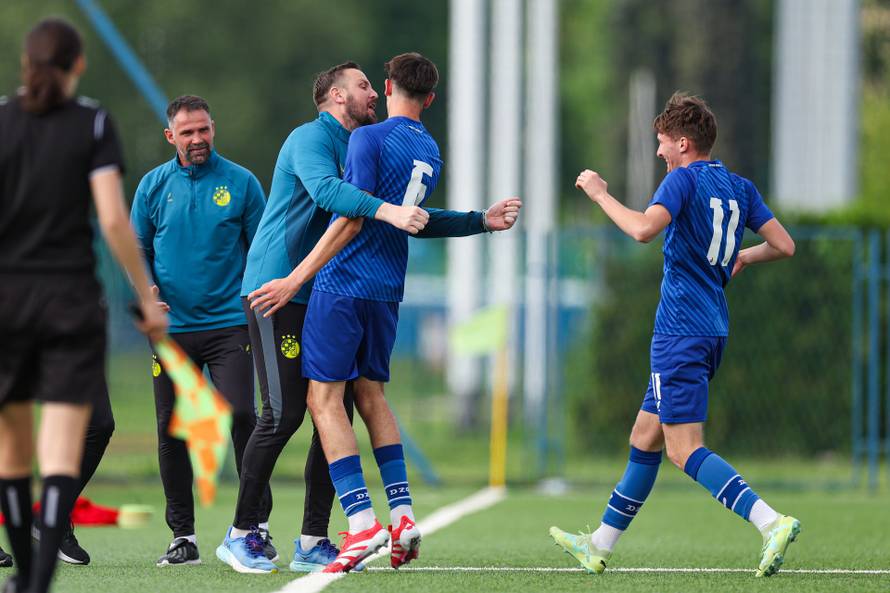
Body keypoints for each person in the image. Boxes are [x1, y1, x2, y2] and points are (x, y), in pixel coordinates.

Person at [217, 60, 513, 574]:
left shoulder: (367, 141)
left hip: (319, 287)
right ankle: (242, 531)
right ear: (335, 96)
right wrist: (389, 212)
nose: (372, 92)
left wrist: (474, 221)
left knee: (334, 411)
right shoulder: (312, 138)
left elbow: (403, 214)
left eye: (376, 85)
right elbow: (336, 199)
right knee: (285, 411)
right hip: (276, 287)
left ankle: (313, 537)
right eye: (362, 85)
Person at [549, 93, 798, 577]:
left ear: (683, 143)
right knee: (645, 437)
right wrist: (743, 256)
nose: (659, 152)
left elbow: (643, 230)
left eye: (662, 144)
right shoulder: (738, 186)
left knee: (683, 449)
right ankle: (599, 545)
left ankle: (771, 522)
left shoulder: (682, 181)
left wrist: (600, 193)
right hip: (711, 330)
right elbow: (783, 245)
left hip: (680, 332)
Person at [301, 52, 521, 574]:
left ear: (388, 85)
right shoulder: (428, 146)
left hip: (344, 283)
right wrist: (480, 221)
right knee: (372, 396)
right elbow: (416, 219)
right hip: (387, 288)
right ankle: (402, 516)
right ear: (431, 98)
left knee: (323, 398)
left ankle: (360, 525)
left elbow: (353, 211)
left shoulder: (367, 139)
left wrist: (298, 276)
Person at [0, 17, 167, 593]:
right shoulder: (93, 122)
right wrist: (146, 294)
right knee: (63, 445)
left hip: (7, 301)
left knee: (12, 450)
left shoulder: (0, 119)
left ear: (27, 63)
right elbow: (114, 219)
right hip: (69, 301)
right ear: (78, 65)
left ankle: (24, 570)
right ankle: (39, 579)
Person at [130, 95, 272, 568]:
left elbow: (263, 247)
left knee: (242, 417)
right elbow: (135, 247)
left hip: (230, 324)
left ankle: (254, 526)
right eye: (187, 132)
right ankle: (182, 537)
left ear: (215, 129)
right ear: (170, 136)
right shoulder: (152, 186)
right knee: (174, 431)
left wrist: (258, 300)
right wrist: (146, 287)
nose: (197, 139)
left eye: (204, 130)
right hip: (171, 329)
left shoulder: (242, 182)